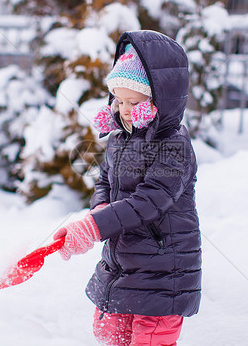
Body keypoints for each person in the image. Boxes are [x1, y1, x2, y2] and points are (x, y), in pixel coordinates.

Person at [54, 30, 201, 346]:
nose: (123, 108)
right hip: (123, 262)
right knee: (108, 334)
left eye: (134, 101)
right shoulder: (119, 140)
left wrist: (95, 227)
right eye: (119, 100)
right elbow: (105, 180)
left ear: (161, 99)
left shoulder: (174, 146)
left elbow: (149, 201)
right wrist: (100, 208)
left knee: (148, 340)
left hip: (163, 270)